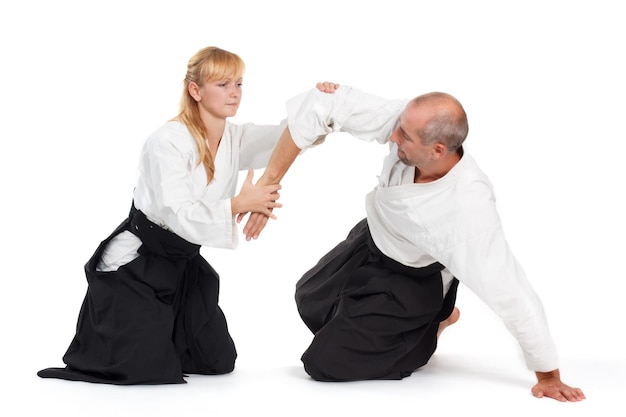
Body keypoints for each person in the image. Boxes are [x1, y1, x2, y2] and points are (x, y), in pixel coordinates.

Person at [248, 82, 586, 402]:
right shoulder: (409, 124)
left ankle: (429, 328)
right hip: (372, 240)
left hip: (410, 277)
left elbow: (511, 292)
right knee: (308, 299)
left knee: (324, 362)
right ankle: (415, 322)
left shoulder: (468, 209)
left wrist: (547, 374)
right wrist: (268, 184)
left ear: (438, 150)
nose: (393, 134)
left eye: (404, 136)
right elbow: (325, 104)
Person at [37, 46, 287, 385]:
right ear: (195, 90)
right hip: (137, 266)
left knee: (218, 361)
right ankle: (141, 333)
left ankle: (163, 333)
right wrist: (239, 204)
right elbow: (178, 213)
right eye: (223, 84)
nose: (234, 93)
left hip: (182, 267)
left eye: (239, 84)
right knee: (147, 370)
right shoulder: (167, 141)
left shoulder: (235, 137)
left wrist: (321, 101)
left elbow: (290, 136)